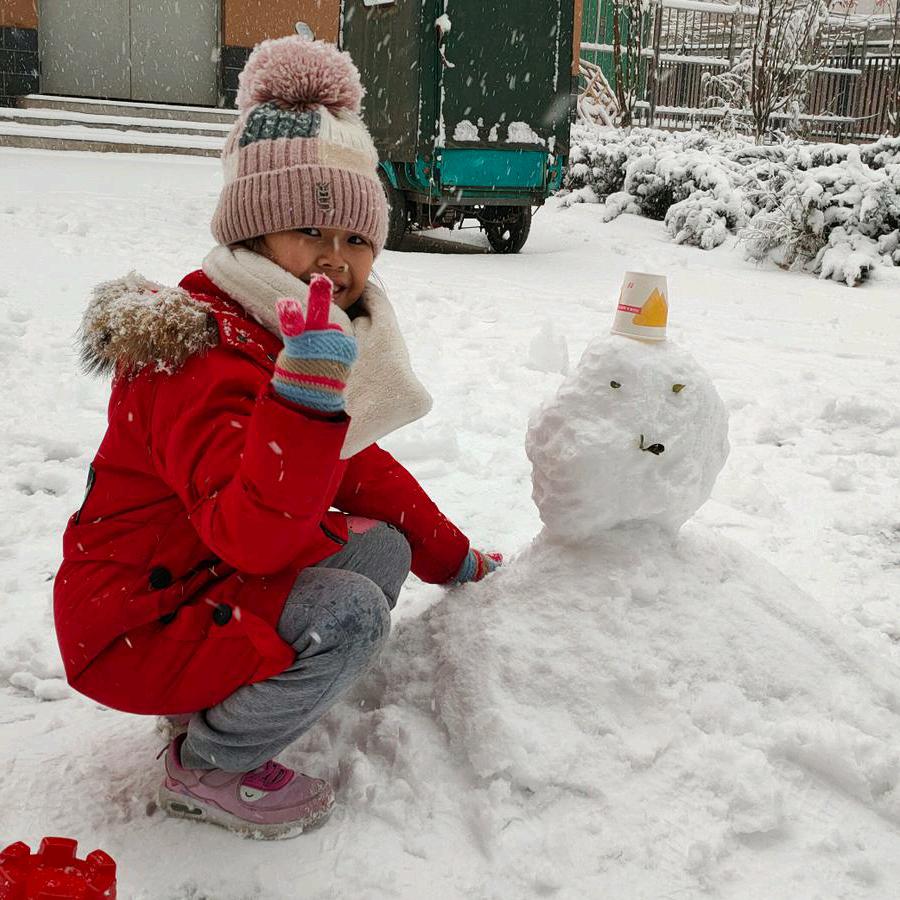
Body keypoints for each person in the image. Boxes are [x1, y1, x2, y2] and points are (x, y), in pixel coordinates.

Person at [53, 36, 501, 840]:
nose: (338, 259)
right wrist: (301, 400)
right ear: (255, 236)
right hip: (134, 623)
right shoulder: (202, 352)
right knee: (355, 614)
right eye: (309, 231)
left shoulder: (281, 331)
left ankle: (225, 696)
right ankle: (208, 762)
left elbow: (356, 468)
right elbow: (252, 540)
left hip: (197, 580)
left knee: (384, 550)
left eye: (358, 239)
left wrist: (456, 555)